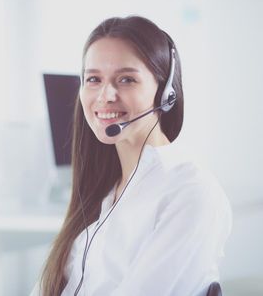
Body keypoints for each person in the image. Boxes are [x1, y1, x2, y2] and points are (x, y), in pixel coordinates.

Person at [34, 16, 232, 296]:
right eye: (93, 79)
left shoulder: (190, 191)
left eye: (126, 79)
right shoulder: (103, 190)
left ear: (165, 92)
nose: (106, 95)